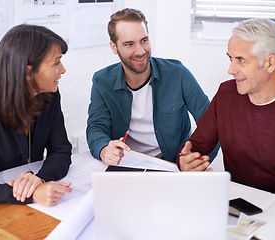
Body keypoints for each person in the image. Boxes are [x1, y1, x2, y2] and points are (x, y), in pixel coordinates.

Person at [178, 18, 275, 204]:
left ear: (270, 63)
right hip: (236, 206)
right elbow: (196, 147)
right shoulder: (226, 94)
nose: (231, 70)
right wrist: (185, 162)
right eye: (230, 58)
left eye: (241, 60)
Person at [0, 24, 73, 207]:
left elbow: (61, 150)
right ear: (28, 71)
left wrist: (40, 180)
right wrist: (31, 195)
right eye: (56, 63)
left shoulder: (50, 96)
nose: (63, 70)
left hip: (34, 206)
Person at [86, 8, 218, 165]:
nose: (140, 51)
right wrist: (104, 149)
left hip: (172, 165)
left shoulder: (178, 73)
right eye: (129, 44)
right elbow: (96, 127)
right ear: (114, 47)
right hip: (127, 163)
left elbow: (211, 124)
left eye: (144, 40)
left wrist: (194, 159)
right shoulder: (102, 81)